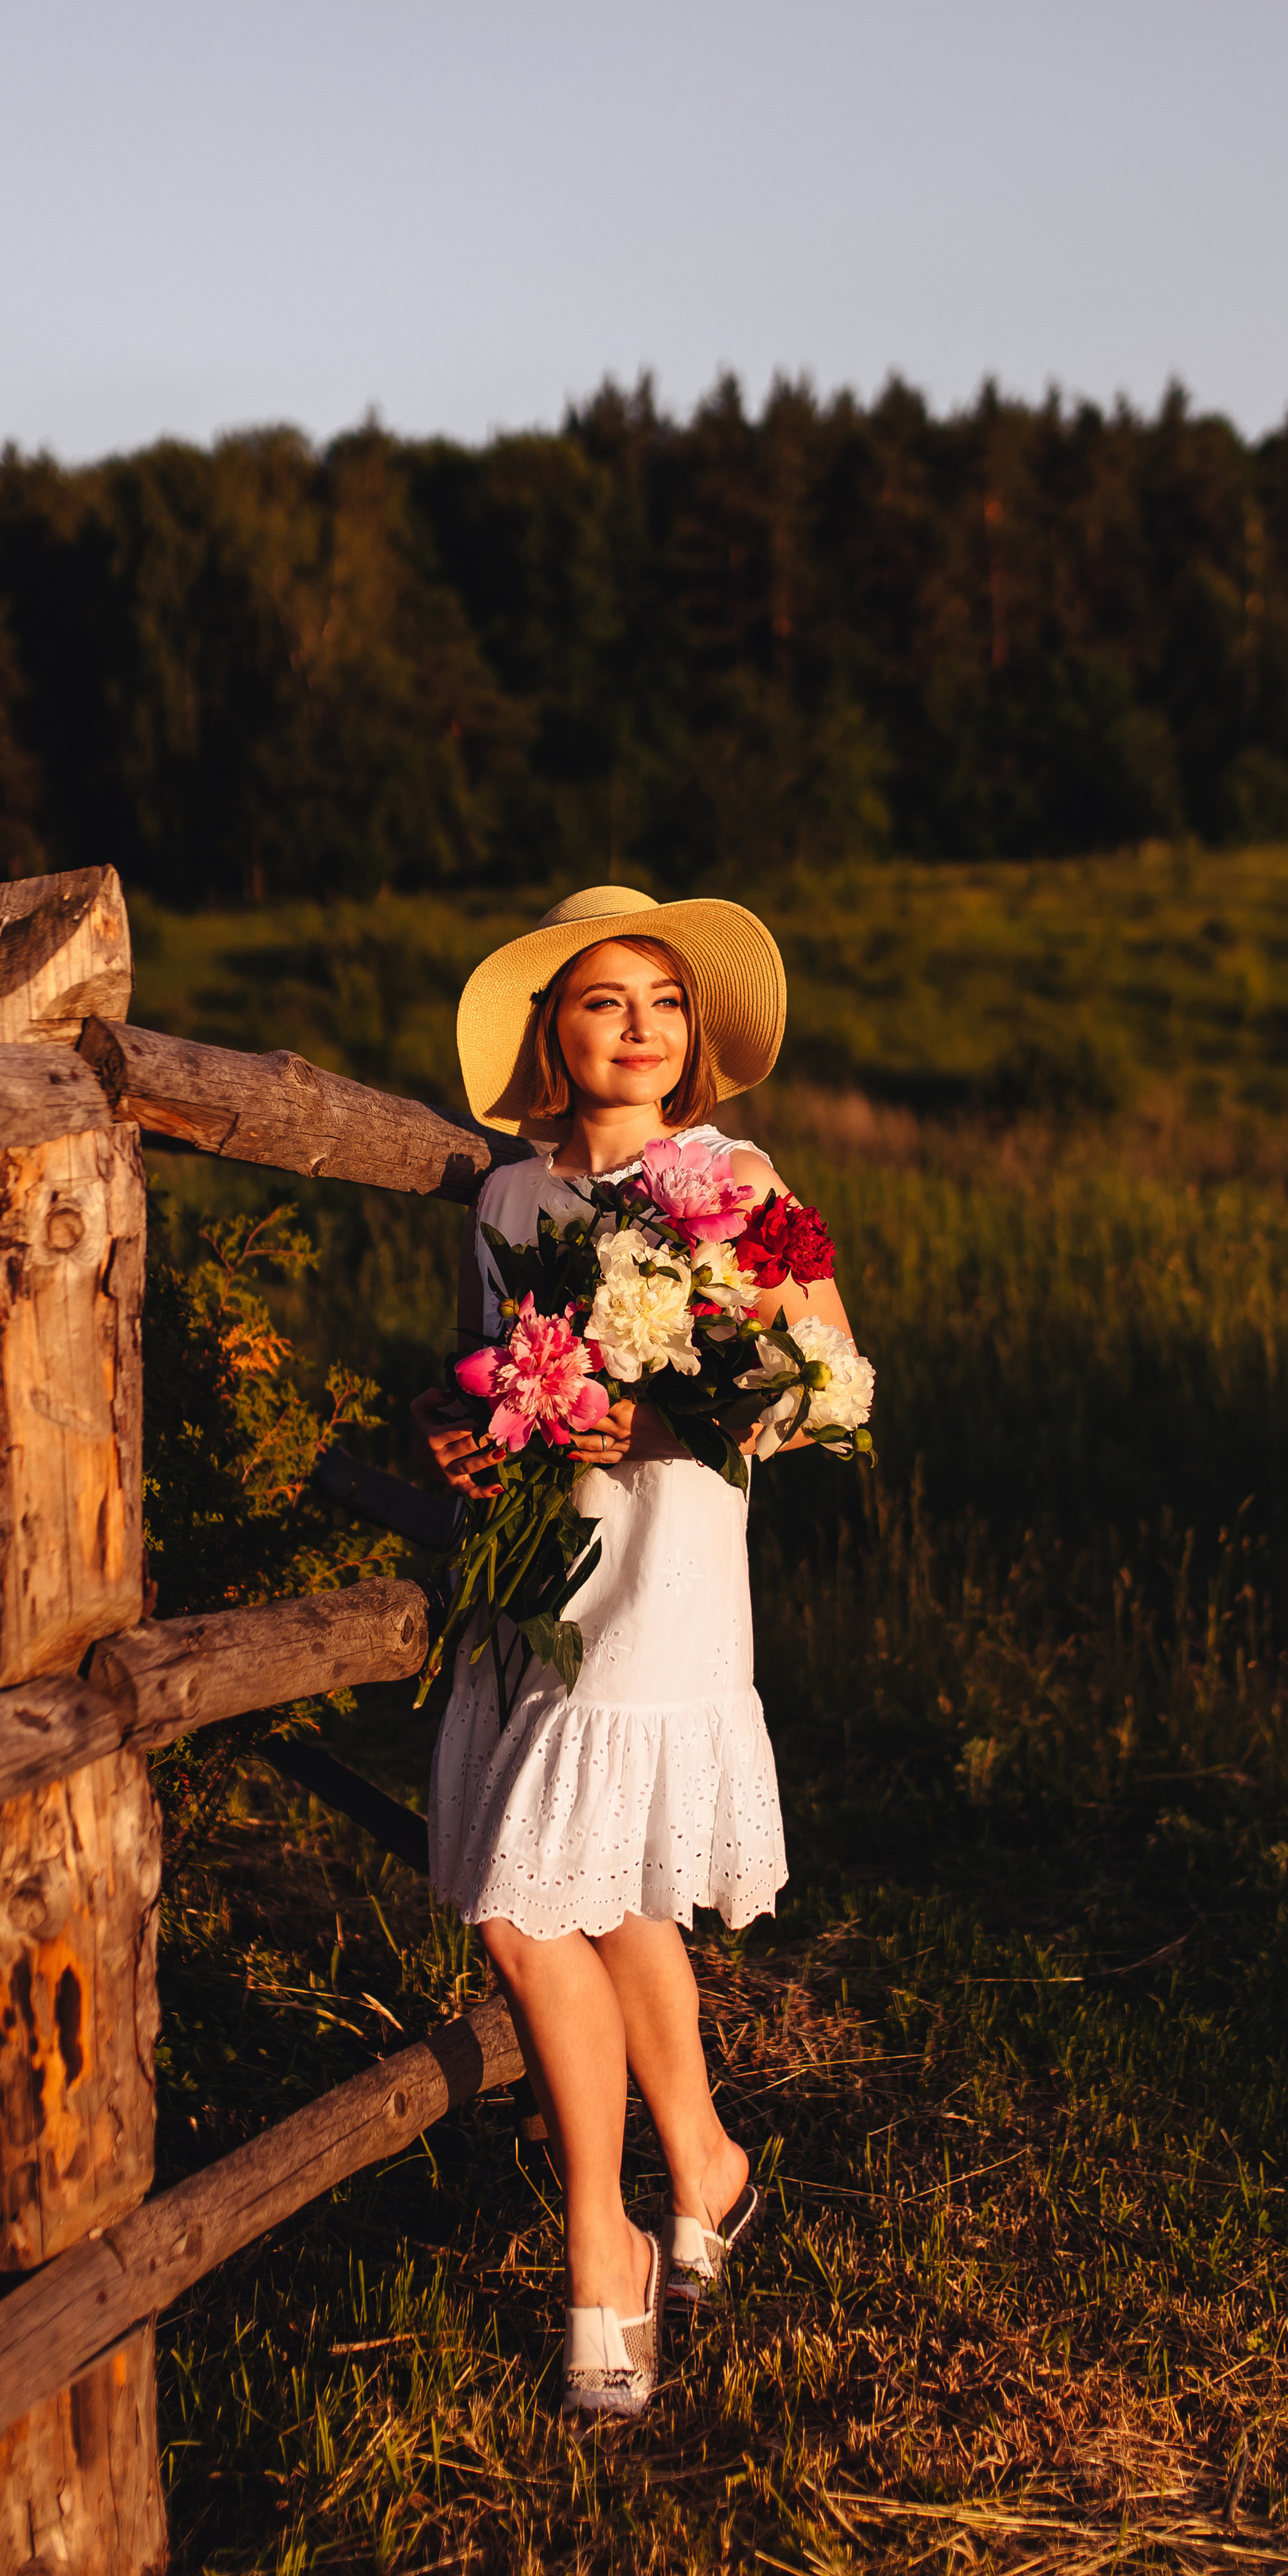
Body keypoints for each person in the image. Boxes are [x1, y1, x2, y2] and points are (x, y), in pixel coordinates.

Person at [411, 886, 856, 2423]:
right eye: (604, 1001)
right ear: (552, 1029)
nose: (639, 1028)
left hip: (663, 1559)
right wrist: (476, 1431)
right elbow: (489, 1367)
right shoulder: (509, 1200)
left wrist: (663, 1419)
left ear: (694, 1036)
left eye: (662, 1002)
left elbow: (827, 1381)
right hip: (538, 1571)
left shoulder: (727, 1182)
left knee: (527, 1916)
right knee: (585, 1898)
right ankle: (709, 2163)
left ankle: (597, 2243)